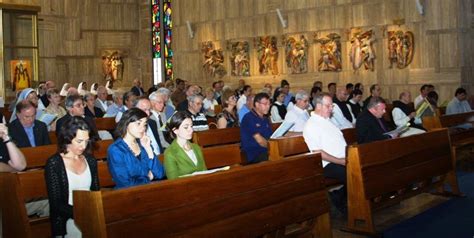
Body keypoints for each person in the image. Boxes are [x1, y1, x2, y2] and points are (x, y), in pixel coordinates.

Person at [45, 116, 100, 237]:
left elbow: (96, 192)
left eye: (86, 141)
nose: (84, 146)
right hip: (67, 219)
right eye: (79, 141)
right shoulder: (54, 163)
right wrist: (82, 214)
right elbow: (56, 204)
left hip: (89, 215)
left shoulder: (90, 160)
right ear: (68, 138)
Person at [303, 93, 347, 214]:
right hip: (327, 164)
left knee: (365, 168)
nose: (331, 109)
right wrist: (341, 161)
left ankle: (339, 196)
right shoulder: (311, 125)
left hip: (342, 159)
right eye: (328, 106)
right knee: (352, 173)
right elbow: (318, 153)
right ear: (318, 106)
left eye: (331, 105)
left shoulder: (328, 121)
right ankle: (342, 200)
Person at [107, 108, 165, 189]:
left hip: (148, 191)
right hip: (126, 195)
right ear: (126, 124)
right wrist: (148, 177)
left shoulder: (143, 144)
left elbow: (160, 174)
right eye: (138, 123)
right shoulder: (116, 150)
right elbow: (125, 183)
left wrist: (148, 149)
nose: (143, 128)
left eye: (144, 124)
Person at [164, 111, 207, 179]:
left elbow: (205, 172)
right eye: (186, 127)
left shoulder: (196, 148)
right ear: (175, 130)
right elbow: (173, 181)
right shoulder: (170, 153)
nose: (191, 130)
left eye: (191, 126)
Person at [240, 93, 272, 164]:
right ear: (257, 104)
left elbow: (270, 136)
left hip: (266, 150)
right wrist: (273, 147)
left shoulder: (265, 119)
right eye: (265, 104)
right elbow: (260, 140)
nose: (268, 106)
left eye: (269, 104)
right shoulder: (249, 118)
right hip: (254, 153)